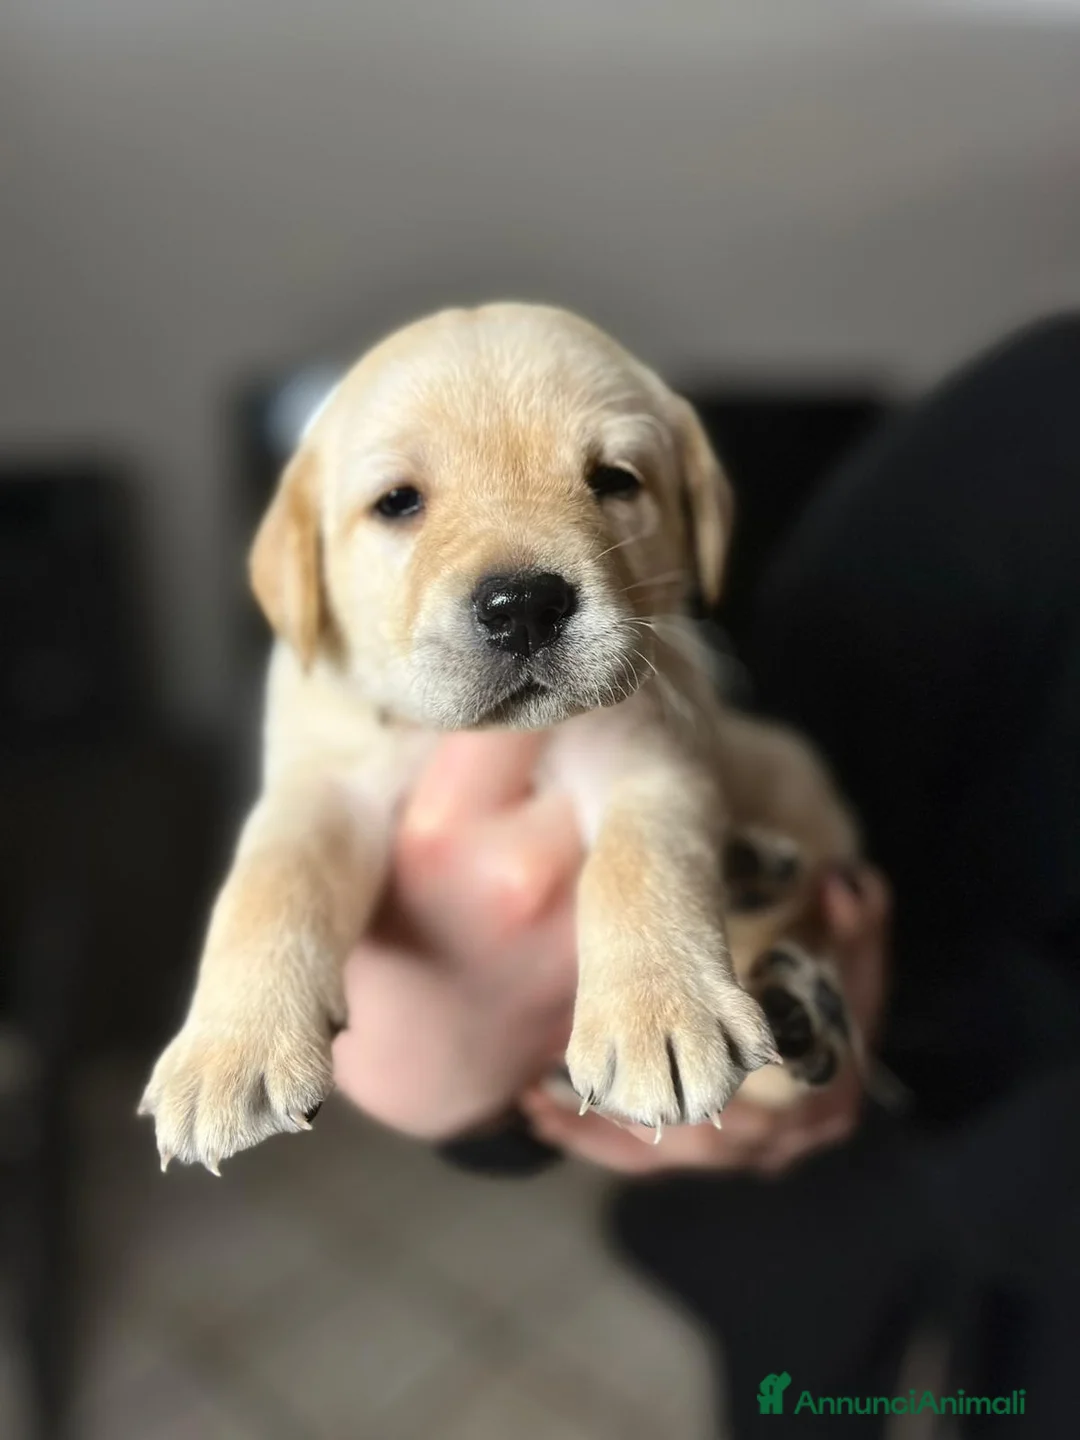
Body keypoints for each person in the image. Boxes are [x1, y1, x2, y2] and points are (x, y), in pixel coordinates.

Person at [333, 317, 1080, 1435]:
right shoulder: (1022, 445)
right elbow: (720, 818)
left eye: (607, 480)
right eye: (402, 498)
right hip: (849, 1184)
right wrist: (473, 1086)